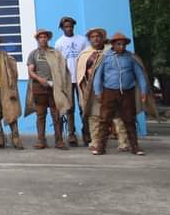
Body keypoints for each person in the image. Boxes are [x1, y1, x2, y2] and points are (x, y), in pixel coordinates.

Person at [91, 32, 149, 156]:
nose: (121, 47)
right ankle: (100, 147)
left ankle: (135, 146)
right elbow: (98, 76)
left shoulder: (130, 58)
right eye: (118, 44)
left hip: (127, 93)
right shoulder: (105, 57)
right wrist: (98, 92)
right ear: (113, 44)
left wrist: (144, 91)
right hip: (109, 92)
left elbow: (140, 75)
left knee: (129, 119)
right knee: (104, 120)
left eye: (123, 44)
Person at [75, 27, 129, 150]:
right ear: (89, 39)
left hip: (111, 88)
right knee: (94, 116)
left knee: (118, 115)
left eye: (98, 36)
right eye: (93, 37)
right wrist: (84, 89)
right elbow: (80, 74)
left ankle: (123, 142)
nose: (96, 39)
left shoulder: (111, 51)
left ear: (103, 38)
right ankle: (95, 141)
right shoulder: (84, 54)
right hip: (92, 90)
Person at [25, 28, 72, 150]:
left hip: (54, 88)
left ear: (48, 39)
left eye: (45, 37)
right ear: (37, 39)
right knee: (41, 115)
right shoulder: (33, 54)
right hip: (39, 88)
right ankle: (41, 140)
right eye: (40, 37)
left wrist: (61, 84)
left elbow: (62, 69)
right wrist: (40, 79)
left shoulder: (55, 53)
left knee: (56, 114)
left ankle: (59, 141)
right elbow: (30, 71)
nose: (43, 39)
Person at [55, 16, 89, 147]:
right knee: (69, 108)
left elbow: (87, 58)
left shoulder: (82, 40)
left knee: (83, 106)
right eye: (66, 27)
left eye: (70, 26)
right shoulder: (59, 43)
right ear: (62, 28)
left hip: (81, 78)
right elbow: (58, 63)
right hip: (67, 79)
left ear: (74, 26)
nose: (69, 29)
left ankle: (86, 133)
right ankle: (71, 134)